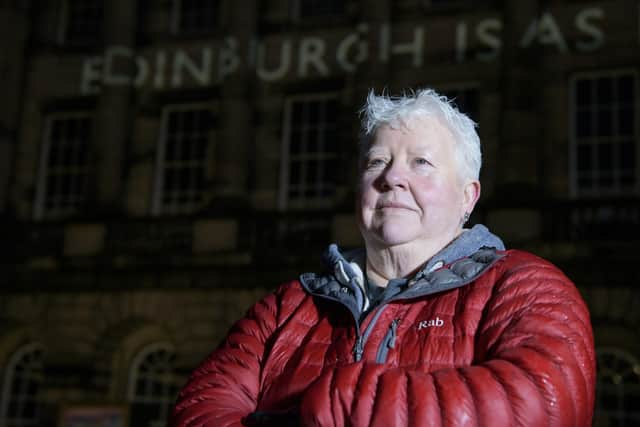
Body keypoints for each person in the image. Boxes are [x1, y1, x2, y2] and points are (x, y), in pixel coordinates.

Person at [171, 89, 596, 427]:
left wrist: (341, 403)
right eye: (377, 161)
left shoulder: (524, 286)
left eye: (421, 163)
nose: (393, 177)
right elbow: (200, 406)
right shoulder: (287, 307)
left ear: (468, 196)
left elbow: (545, 403)